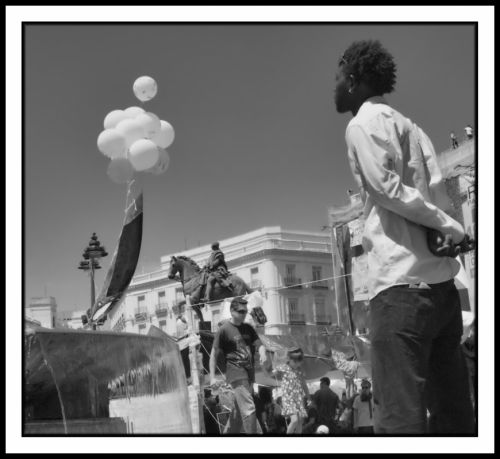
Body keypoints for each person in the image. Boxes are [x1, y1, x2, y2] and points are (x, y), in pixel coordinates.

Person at [333, 39, 475, 434]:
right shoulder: (412, 127)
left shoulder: (362, 124)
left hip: (400, 290)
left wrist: (450, 227)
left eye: (339, 77)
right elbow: (438, 193)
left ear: (354, 79)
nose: (336, 85)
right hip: (441, 291)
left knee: (399, 418)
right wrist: (446, 226)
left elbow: (385, 189)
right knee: (454, 416)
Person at [209, 297, 268, 434]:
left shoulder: (248, 328)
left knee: (237, 415)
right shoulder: (224, 330)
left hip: (249, 375)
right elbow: (213, 354)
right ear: (231, 311)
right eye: (241, 311)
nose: (244, 314)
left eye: (245, 311)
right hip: (236, 372)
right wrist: (212, 377)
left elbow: (259, 345)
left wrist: (263, 353)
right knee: (249, 408)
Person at [272, 348, 309, 434]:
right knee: (295, 420)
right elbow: (272, 371)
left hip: (298, 398)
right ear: (290, 359)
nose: (297, 364)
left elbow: (304, 384)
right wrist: (274, 371)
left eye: (299, 362)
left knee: (300, 421)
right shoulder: (284, 367)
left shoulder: (299, 370)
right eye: (295, 362)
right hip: (289, 398)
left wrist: (308, 397)